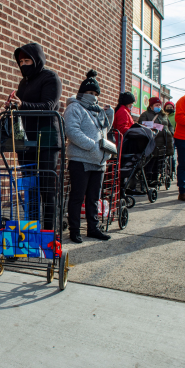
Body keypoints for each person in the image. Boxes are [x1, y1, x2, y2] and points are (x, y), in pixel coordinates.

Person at [7, 43, 62, 230]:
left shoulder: (50, 77)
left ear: (37, 59)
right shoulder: (24, 82)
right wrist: (14, 105)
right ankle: (31, 231)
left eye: (27, 60)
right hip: (27, 141)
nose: (23, 64)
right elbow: (22, 106)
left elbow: (49, 105)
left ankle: (48, 232)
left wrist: (22, 105)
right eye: (20, 61)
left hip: (46, 139)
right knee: (30, 187)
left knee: (47, 188)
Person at [64, 70, 114, 243]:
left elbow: (103, 131)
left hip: (99, 161)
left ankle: (93, 228)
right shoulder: (74, 107)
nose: (92, 96)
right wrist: (92, 145)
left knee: (94, 198)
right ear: (81, 93)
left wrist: (110, 115)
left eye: (95, 94)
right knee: (77, 197)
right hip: (80, 160)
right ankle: (74, 230)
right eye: (89, 93)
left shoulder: (98, 111)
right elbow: (71, 130)